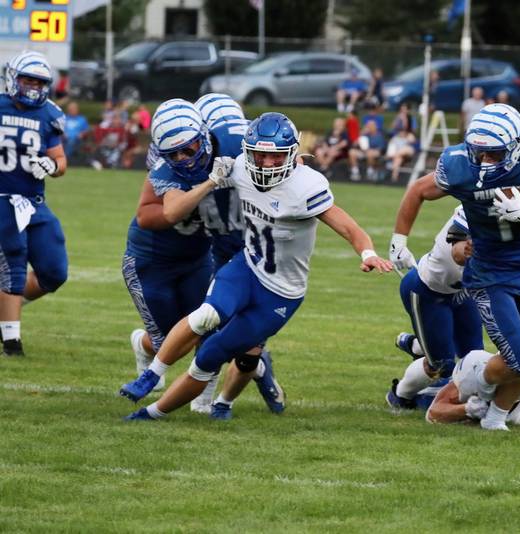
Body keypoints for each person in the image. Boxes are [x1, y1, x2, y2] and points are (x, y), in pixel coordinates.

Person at [124, 112, 393, 421]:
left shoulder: (306, 187)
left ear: (290, 155)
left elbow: (348, 227)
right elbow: (188, 173)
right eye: (259, 154)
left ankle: (176, 409)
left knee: (213, 357)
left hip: (281, 293)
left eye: (274, 156)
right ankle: (152, 376)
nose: (265, 163)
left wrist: (368, 253)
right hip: (246, 266)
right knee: (205, 316)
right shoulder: (239, 168)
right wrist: (212, 176)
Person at [389, 103, 520, 431]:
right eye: (479, 153)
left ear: (516, 147)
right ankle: (464, 393)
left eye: (495, 154)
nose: (485, 161)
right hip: (483, 276)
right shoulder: (460, 168)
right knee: (504, 358)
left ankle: (494, 418)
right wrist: (399, 239)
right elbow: (453, 240)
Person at [121, 95, 270, 414]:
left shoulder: (236, 144)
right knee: (169, 342)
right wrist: (210, 183)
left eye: (189, 148)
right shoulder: (165, 166)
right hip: (154, 259)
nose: (183, 158)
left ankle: (206, 399)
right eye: (173, 153)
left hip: (201, 255)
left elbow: (276, 154)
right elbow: (157, 215)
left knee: (205, 327)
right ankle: (143, 344)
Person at [0, 51, 68, 356]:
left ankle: (4, 312)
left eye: (39, 82)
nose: (32, 87)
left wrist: (50, 167)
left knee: (54, 271)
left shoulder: (48, 114)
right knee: (13, 265)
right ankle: (11, 341)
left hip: (34, 203)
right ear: (12, 77)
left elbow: (60, 160)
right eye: (27, 79)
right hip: (2, 199)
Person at [385, 205, 484, 409]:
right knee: (442, 365)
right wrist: (399, 241)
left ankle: (416, 345)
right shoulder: (478, 203)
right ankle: (399, 395)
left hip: (462, 291)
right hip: (428, 292)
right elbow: (459, 253)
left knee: (473, 357)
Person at [425, 348, 520, 427]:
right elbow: (433, 413)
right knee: (423, 396)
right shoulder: (475, 366)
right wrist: (466, 409)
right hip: (448, 388)